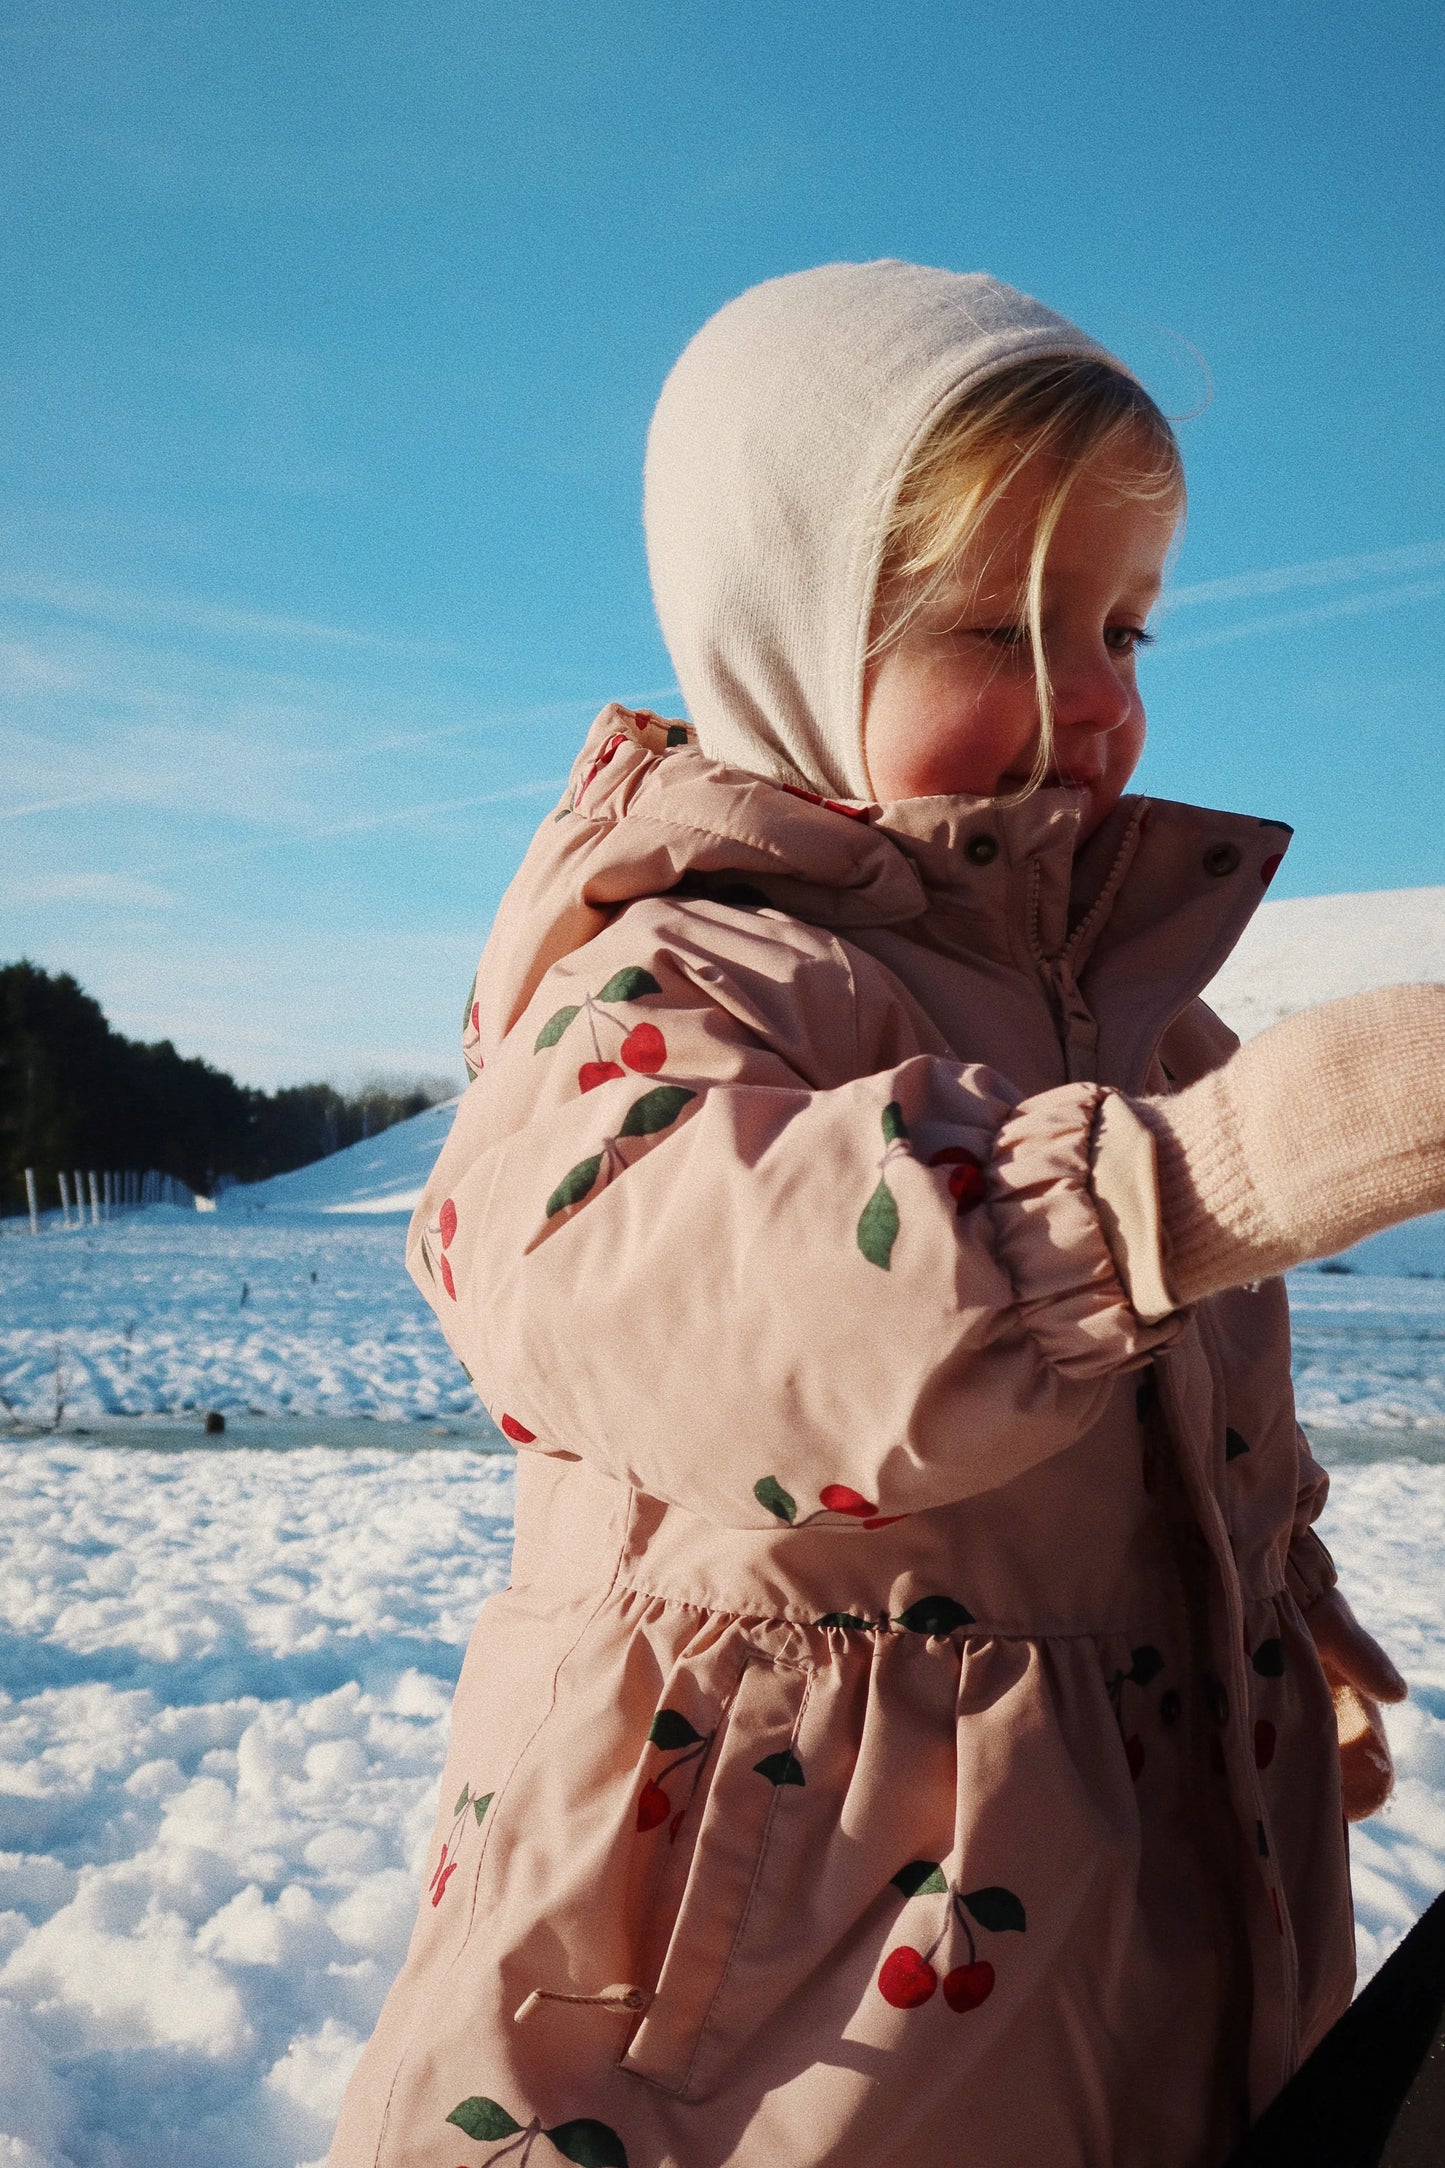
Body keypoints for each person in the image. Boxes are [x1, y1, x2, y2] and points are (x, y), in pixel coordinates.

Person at [326, 261, 1445, 2168]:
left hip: (1145, 1900)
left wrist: (1266, 1596)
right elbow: (678, 1293)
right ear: (780, 632)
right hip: (777, 2001)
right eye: (1003, 630)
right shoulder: (675, 978)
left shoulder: (1148, 1014)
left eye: (1125, 626)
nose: (1096, 699)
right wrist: (1199, 1182)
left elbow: (1197, 1420)